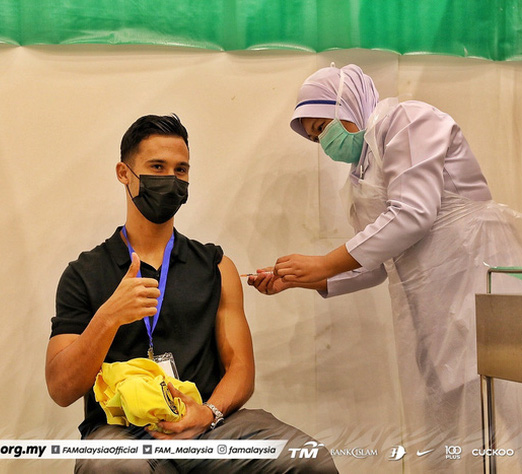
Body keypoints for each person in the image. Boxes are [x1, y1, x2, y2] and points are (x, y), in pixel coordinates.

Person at [248, 64, 522, 472]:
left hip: (482, 281)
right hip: (432, 306)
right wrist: (304, 278)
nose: (325, 143)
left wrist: (324, 262)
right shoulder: (361, 176)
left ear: (347, 104)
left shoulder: (406, 120)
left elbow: (413, 214)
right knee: (452, 429)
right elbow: (377, 262)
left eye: (323, 127)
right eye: (316, 137)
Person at [46, 114, 338, 473]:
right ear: (124, 173)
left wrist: (208, 413)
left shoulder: (217, 266)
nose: (171, 179)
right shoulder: (84, 274)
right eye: (157, 167)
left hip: (209, 426)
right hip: (122, 432)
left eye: (181, 170)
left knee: (307, 458)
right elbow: (61, 389)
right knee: (113, 466)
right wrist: (109, 318)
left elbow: (241, 368)